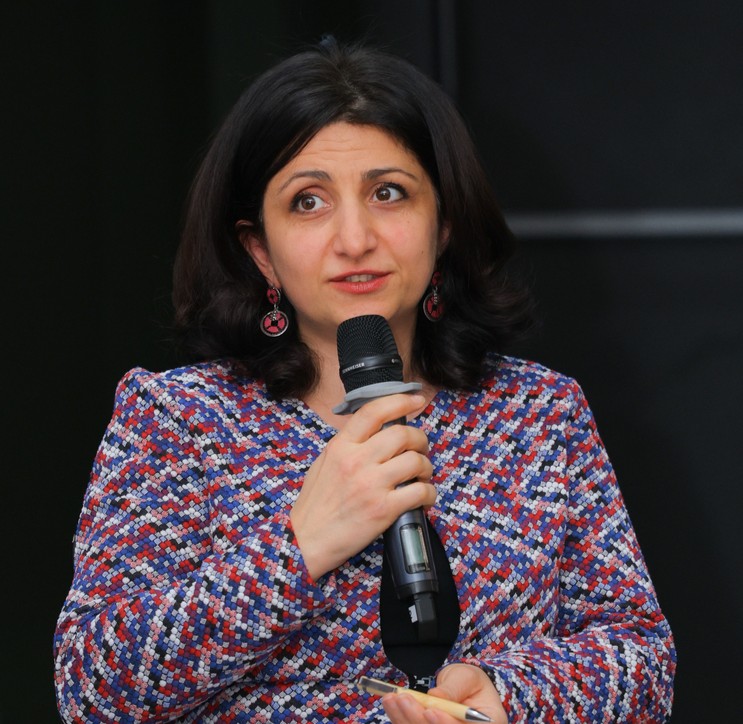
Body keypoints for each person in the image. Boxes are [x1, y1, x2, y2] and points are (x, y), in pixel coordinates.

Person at [54, 39, 676, 722]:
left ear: (442, 225)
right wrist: (299, 546)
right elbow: (92, 689)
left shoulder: (538, 412)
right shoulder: (178, 419)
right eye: (308, 202)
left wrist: (510, 697)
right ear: (260, 250)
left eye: (388, 193)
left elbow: (640, 656)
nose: (354, 239)